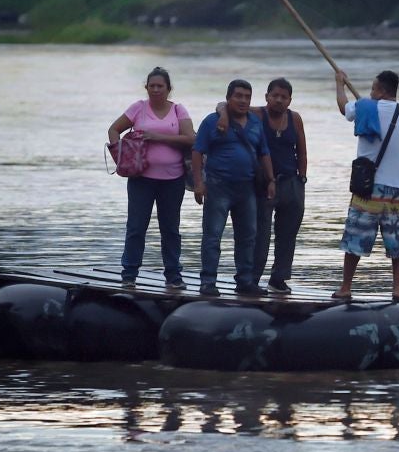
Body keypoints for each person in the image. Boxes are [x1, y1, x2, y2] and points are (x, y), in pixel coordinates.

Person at [215, 78, 308, 294]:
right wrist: (222, 116)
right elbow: (222, 104)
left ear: (290, 100)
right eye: (274, 95)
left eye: (283, 97)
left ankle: (279, 278)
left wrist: (302, 178)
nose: (278, 100)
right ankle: (252, 278)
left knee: (287, 235)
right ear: (266, 97)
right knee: (260, 234)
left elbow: (302, 151)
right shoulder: (256, 114)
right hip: (263, 184)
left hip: (291, 182)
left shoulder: (295, 119)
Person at [333, 67, 399, 302]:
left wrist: (340, 83)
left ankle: (346, 287)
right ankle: (398, 289)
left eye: (372, 88)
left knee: (355, 239)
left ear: (380, 90)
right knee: (398, 242)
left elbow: (343, 107)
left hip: (369, 189)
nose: (369, 93)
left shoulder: (365, 107)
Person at [107, 66, 195, 289]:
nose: (156, 90)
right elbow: (113, 130)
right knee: (136, 227)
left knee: (171, 229)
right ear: (146, 88)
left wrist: (156, 136)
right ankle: (129, 275)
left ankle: (173, 276)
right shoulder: (138, 108)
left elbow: (190, 139)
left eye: (160, 86)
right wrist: (124, 156)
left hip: (173, 179)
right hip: (141, 179)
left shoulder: (179, 111)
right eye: (152, 86)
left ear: (168, 89)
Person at [190, 80, 275, 297]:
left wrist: (271, 180)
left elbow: (264, 152)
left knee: (248, 236)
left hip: (247, 188)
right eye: (239, 96)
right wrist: (199, 183)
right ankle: (208, 281)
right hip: (218, 186)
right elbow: (198, 152)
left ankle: (245, 281)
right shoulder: (212, 121)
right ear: (228, 98)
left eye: (247, 96)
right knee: (213, 235)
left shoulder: (255, 123)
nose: (243, 100)